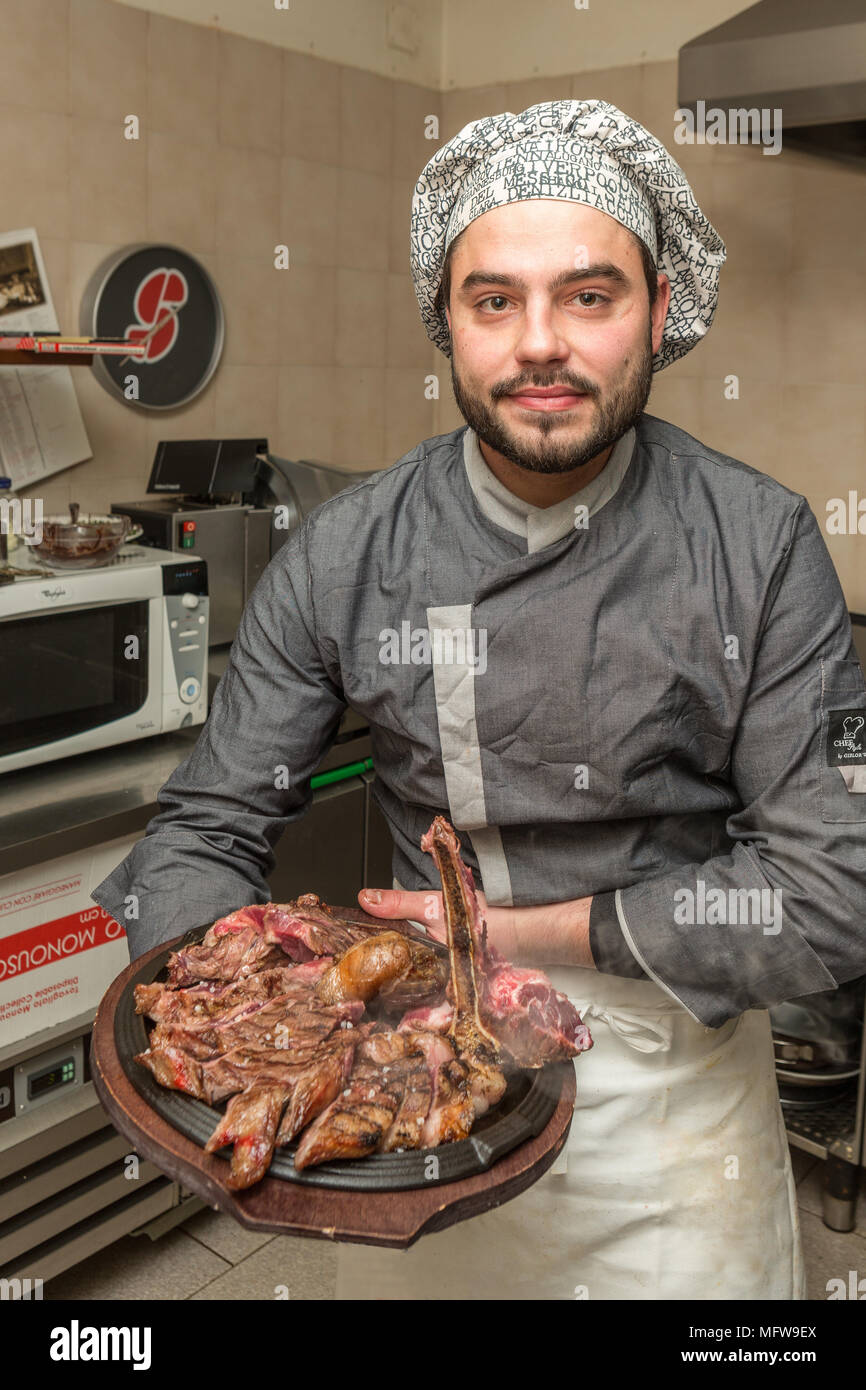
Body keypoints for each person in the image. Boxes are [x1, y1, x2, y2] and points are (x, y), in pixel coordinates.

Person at [93, 100, 866, 1301]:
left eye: (589, 295)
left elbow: (828, 899)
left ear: (659, 314)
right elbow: (200, 832)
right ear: (444, 323)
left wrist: (508, 940)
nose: (538, 344)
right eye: (492, 300)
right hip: (409, 1097)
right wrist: (254, 1018)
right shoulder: (349, 552)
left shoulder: (753, 545)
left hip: (667, 1124)